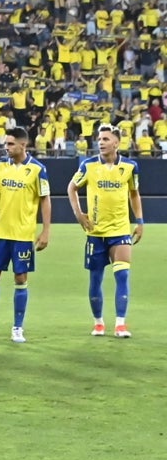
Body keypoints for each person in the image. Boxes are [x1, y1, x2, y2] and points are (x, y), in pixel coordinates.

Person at [0, 126, 51, 343]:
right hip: (0, 233)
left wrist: (46, 231)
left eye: (11, 144)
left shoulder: (37, 169)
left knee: (20, 278)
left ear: (24, 145)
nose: (6, 147)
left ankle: (17, 328)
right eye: (6, 143)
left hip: (23, 235)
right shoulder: (0, 166)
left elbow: (45, 199)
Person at [66, 124, 143, 337]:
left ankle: (120, 324)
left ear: (116, 143)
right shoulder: (88, 165)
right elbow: (71, 188)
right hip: (96, 233)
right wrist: (79, 214)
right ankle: (98, 322)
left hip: (120, 231)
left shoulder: (129, 166)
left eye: (106, 139)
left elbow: (134, 193)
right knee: (96, 279)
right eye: (99, 139)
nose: (101, 142)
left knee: (123, 275)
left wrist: (140, 220)